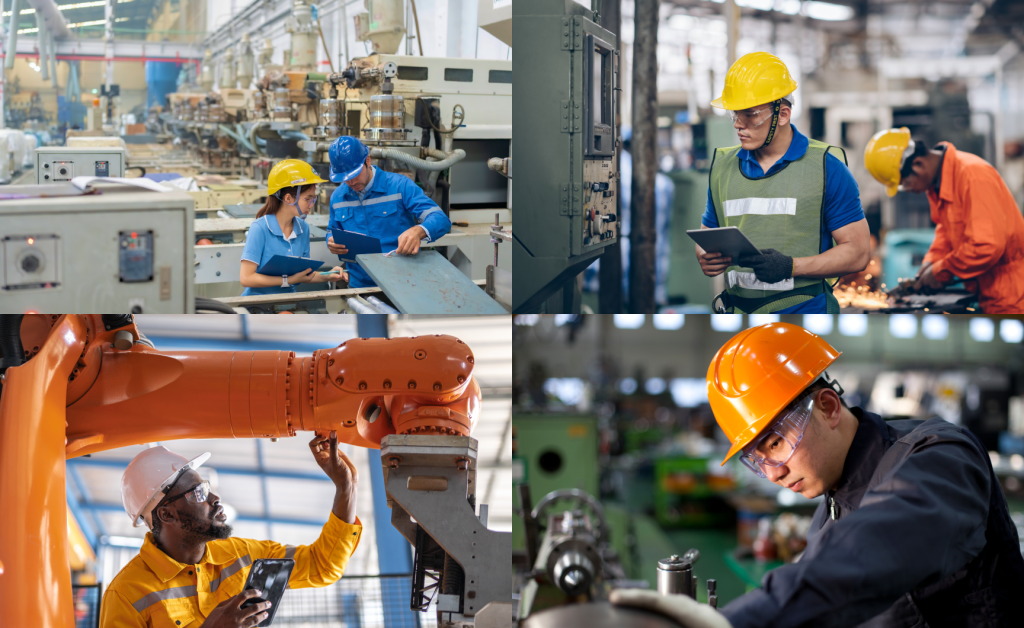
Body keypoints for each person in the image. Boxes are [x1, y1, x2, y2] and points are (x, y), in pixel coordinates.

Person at [612, 322, 1024, 627]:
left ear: (828, 407)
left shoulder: (941, 455)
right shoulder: (829, 510)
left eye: (774, 444)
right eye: (756, 458)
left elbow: (866, 555)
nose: (772, 473)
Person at [99, 434, 361, 626]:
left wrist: (345, 489)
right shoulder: (126, 594)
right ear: (167, 514)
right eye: (198, 493)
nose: (215, 498)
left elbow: (322, 565)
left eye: (208, 487)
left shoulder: (244, 554)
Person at [695, 52, 870, 314]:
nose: (739, 125)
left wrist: (791, 267)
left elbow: (858, 252)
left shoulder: (827, 168)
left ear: (784, 114)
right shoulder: (723, 167)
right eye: (735, 114)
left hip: (804, 315)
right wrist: (705, 256)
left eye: (750, 114)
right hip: (738, 315)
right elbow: (707, 234)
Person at [864, 127, 1024, 313]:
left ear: (917, 164)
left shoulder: (973, 176)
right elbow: (946, 231)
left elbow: (986, 245)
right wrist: (930, 264)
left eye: (904, 184)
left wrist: (941, 271)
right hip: (990, 293)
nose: (907, 190)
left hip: (1014, 296)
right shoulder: (939, 185)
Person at [325, 137, 452, 289]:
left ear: (368, 160)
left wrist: (419, 231)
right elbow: (332, 230)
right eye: (345, 179)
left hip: (402, 284)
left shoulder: (400, 186)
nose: (351, 183)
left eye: (355, 174)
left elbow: (440, 219)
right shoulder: (338, 197)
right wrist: (330, 240)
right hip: (359, 285)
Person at [239, 159, 345, 296]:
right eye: (307, 199)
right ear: (288, 198)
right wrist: (287, 280)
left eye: (314, 199)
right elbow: (246, 278)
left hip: (288, 302)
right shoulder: (260, 228)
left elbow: (306, 274)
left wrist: (329, 274)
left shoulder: (303, 228)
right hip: (258, 305)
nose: (311, 205)